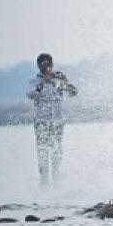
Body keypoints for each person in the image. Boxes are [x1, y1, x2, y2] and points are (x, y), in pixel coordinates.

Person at [26, 53, 78, 184]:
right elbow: (31, 94)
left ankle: (56, 178)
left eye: (49, 64)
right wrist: (44, 81)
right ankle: (43, 180)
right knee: (43, 151)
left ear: (52, 64)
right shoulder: (34, 80)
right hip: (41, 122)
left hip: (57, 121)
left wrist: (65, 81)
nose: (47, 67)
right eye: (43, 64)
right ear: (38, 66)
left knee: (56, 149)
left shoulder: (58, 80)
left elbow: (74, 93)